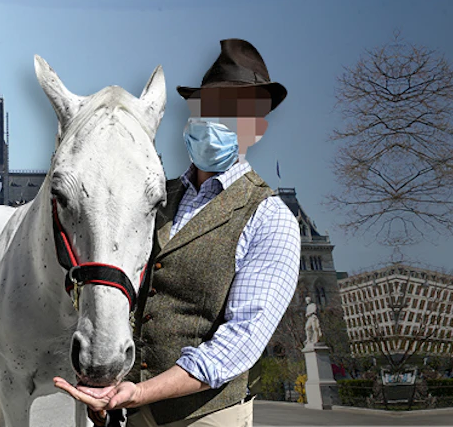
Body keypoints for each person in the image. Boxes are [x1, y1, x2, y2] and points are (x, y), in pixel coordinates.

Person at [55, 39, 301, 426]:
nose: (217, 120)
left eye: (235, 114)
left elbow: (239, 342)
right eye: (211, 107)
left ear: (258, 129)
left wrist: (142, 391)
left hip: (206, 417)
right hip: (131, 414)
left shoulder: (271, 219)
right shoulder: (152, 197)